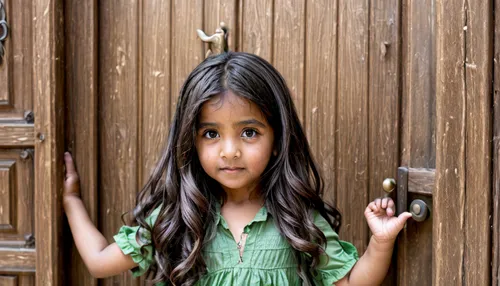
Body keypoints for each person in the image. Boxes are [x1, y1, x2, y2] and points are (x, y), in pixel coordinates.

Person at [63, 52, 412, 285]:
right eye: (211, 134)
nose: (230, 151)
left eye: (249, 132)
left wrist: (380, 242)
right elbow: (98, 261)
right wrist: (72, 201)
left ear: (277, 139)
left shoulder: (295, 217)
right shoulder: (176, 218)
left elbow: (350, 283)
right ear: (191, 140)